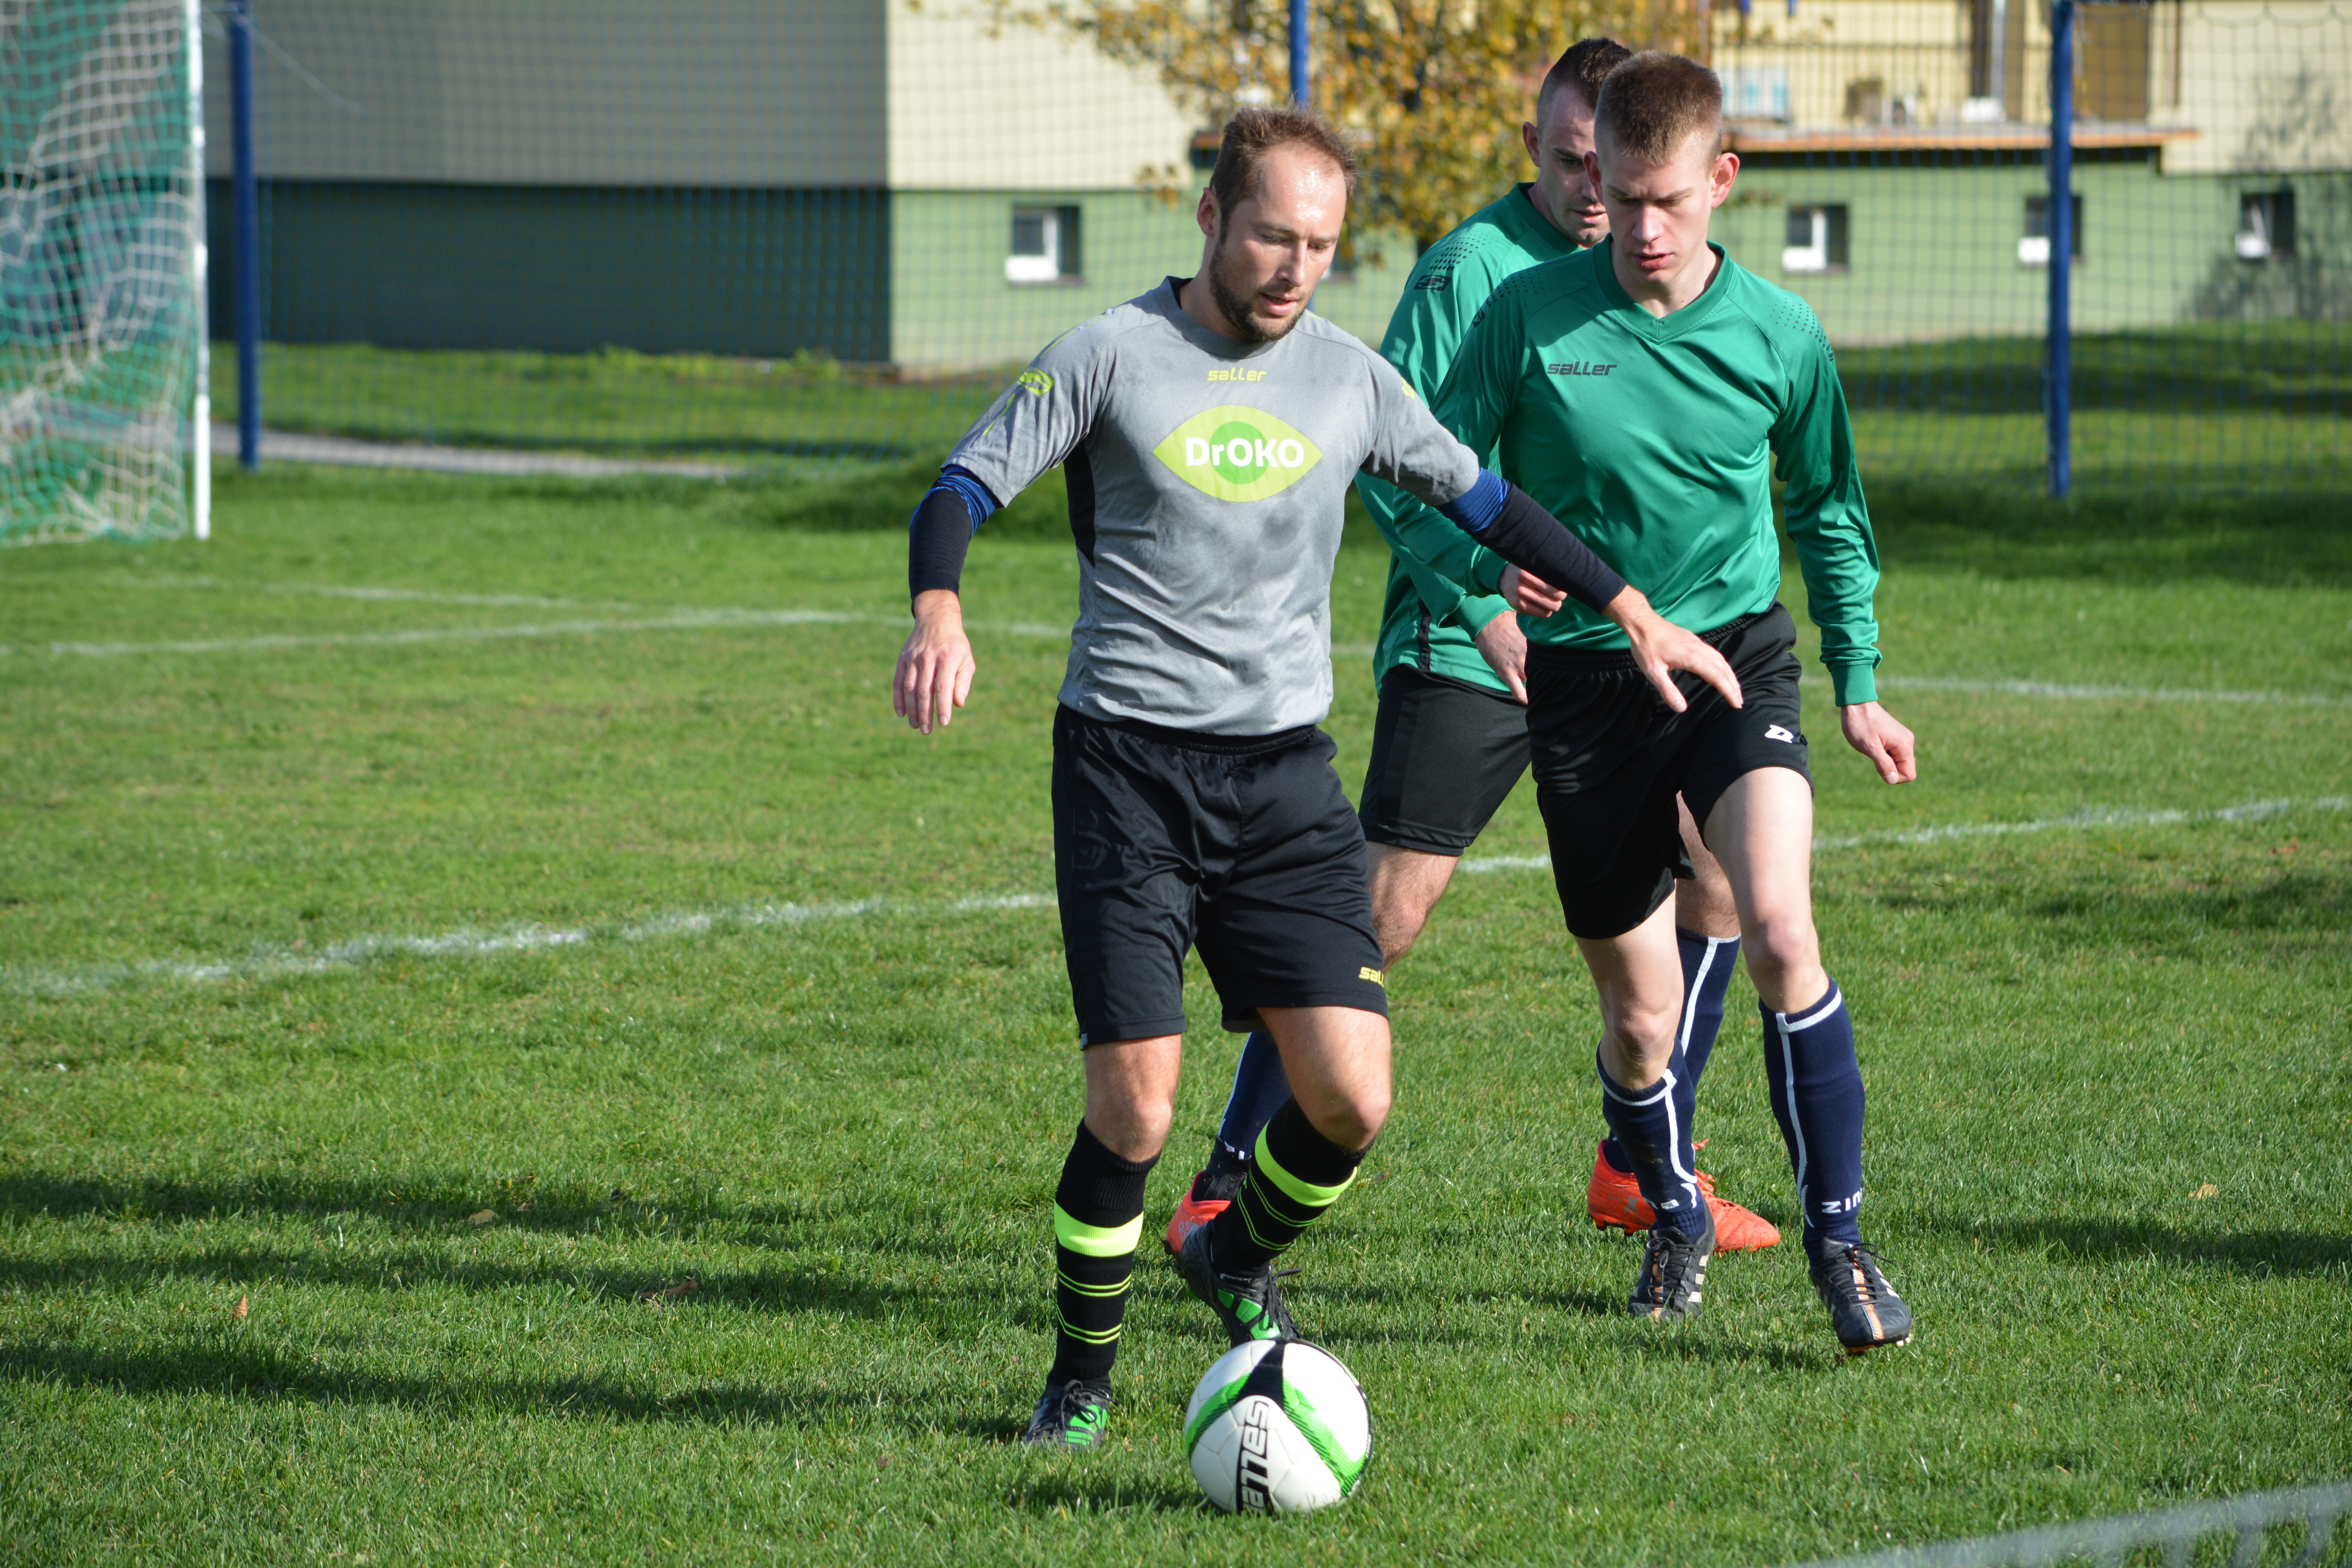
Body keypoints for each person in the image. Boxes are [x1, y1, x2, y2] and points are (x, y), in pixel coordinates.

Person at [892, 105, 1744, 1448]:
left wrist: (1630, 608)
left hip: (1284, 778)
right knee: (1141, 1103)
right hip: (1125, 767)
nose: (1297, 267)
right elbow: (959, 488)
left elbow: (1489, 505)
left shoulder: (1350, 379)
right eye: (1276, 236)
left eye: (1323, 245)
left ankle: (1232, 1255)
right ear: (1211, 220)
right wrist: (941, 609)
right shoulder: (1113, 356)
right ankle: (1080, 1381)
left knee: (1355, 1097)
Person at [1162, 37, 1778, 1263]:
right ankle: (1227, 1178)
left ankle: (1648, 1165)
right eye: (1574, 162)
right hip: (1472, 645)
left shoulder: (1665, 268)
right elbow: (1393, 468)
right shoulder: (1473, 275)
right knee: (1383, 911)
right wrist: (1476, 598)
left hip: (1627, 653)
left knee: (1714, 876)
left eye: (1620, 170)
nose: (1602, 195)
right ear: (1542, 150)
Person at [1427, 52, 1917, 1352]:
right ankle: (1675, 1207)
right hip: (1585, 685)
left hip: (1733, 662)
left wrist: (1858, 679)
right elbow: (1422, 473)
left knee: (1779, 932)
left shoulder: (1779, 334)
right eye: (1618, 192)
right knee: (1640, 1023)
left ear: (1723, 183)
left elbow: (1831, 511)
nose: (1642, 227)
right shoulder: (1526, 316)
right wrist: (1487, 569)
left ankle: (1842, 1246)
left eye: (1669, 201)